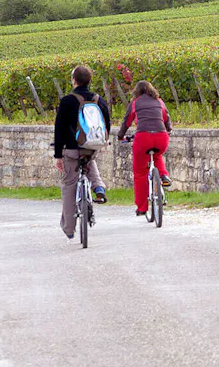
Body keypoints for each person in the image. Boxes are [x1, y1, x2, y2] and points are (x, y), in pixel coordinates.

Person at [54, 65, 110, 239]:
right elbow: (107, 123)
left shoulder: (67, 101)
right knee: (89, 161)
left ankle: (69, 229)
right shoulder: (98, 100)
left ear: (74, 80)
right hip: (92, 147)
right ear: (90, 80)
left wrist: (58, 154)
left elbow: (59, 130)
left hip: (71, 149)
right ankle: (98, 187)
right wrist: (103, 141)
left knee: (69, 185)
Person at [117, 80, 172, 216]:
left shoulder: (135, 103)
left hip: (143, 138)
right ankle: (164, 176)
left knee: (140, 173)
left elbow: (126, 121)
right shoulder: (159, 101)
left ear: (137, 91)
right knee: (157, 155)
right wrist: (169, 130)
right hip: (161, 137)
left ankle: (142, 208)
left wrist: (120, 136)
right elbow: (166, 118)